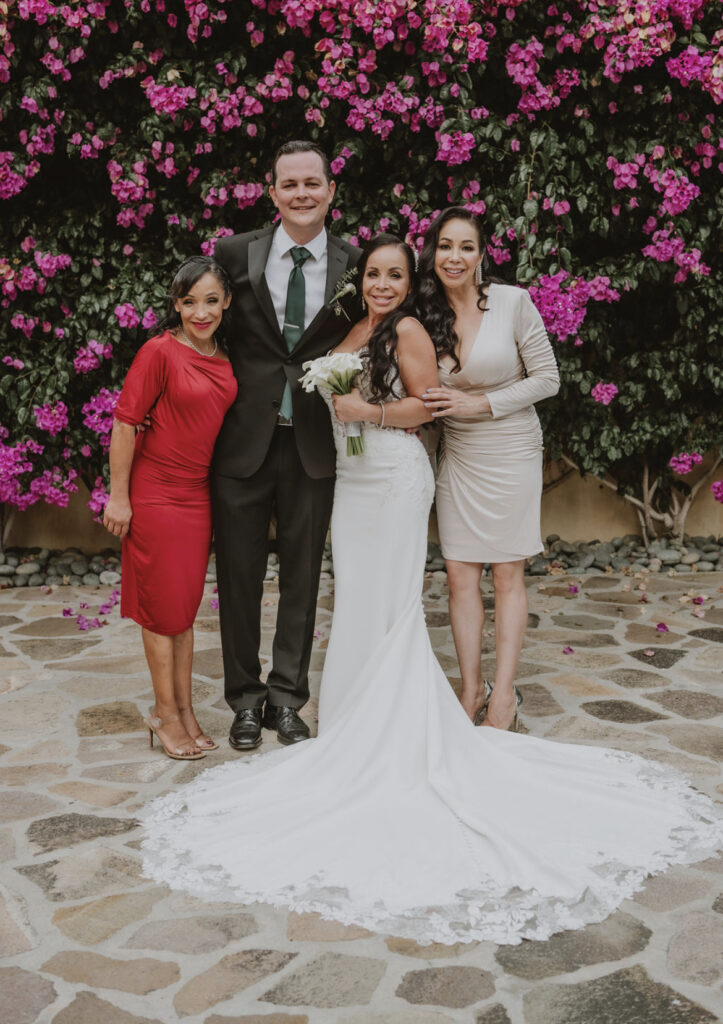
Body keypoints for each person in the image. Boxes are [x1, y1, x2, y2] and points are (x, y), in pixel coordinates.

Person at [141, 236, 720, 946]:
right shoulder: (350, 325)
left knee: (389, 604)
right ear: (359, 278)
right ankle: (353, 717)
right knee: (358, 600)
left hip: (390, 476)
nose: (382, 284)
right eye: (373, 274)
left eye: (395, 275)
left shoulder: (409, 329)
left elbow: (427, 407)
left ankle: (388, 728)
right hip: (352, 482)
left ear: (408, 281)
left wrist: (366, 416)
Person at [212, 140, 361, 751]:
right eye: (290, 184)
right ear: (271, 192)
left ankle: (287, 700)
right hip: (241, 440)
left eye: (312, 183)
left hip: (314, 441)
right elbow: (205, 327)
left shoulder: (356, 264)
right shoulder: (233, 253)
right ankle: (245, 702)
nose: (302, 194)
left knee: (302, 576)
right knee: (238, 578)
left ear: (331, 190)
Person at [418, 207, 560, 730]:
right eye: (445, 246)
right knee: (459, 574)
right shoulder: (422, 312)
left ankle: (503, 696)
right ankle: (470, 687)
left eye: (466, 247)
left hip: (511, 447)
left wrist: (481, 403)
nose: (454, 257)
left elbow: (548, 379)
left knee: (506, 572)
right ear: (432, 252)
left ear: (482, 254)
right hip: (458, 454)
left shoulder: (512, 302)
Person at [103, 256, 237, 760]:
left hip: (196, 495)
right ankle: (163, 714)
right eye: (189, 302)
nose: (201, 312)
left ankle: (184, 711)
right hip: (155, 494)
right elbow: (125, 423)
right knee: (161, 613)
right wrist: (119, 496)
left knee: (182, 611)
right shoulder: (159, 351)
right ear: (176, 305)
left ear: (226, 302)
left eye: (211, 301)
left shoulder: (224, 354)